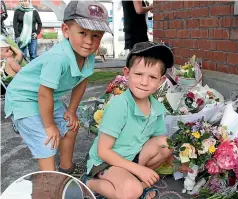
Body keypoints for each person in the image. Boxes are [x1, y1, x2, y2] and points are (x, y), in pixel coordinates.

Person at [4, 0, 111, 175]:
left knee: (71, 126)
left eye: (96, 36)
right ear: (66, 30)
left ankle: (66, 169)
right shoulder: (58, 58)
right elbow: (44, 93)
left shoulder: (88, 56)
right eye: (82, 32)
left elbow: (82, 81)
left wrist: (72, 110)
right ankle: (51, 183)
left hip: (46, 97)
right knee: (48, 140)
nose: (89, 41)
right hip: (23, 98)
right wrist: (49, 126)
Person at [82, 42, 191, 199]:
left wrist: (177, 163)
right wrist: (140, 170)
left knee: (165, 144)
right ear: (127, 73)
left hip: (132, 156)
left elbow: (159, 141)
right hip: (106, 162)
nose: (144, 82)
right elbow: (103, 151)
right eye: (138, 74)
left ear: (160, 82)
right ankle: (90, 183)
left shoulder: (156, 107)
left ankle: (133, 183)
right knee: (132, 191)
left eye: (152, 77)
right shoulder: (120, 105)